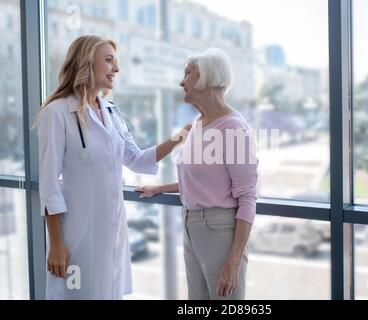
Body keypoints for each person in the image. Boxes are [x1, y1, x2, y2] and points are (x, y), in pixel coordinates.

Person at [38, 35, 190, 300]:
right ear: (86, 63)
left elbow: (137, 159)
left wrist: (179, 137)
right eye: (109, 60)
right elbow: (49, 185)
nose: (116, 69)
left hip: (113, 229)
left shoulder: (112, 111)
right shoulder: (58, 113)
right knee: (78, 295)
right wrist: (57, 245)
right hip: (77, 233)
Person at [136, 48, 258, 300]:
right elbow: (201, 183)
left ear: (207, 77)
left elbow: (247, 197)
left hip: (220, 231)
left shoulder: (234, 128)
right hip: (191, 225)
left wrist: (233, 261)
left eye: (188, 74)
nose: (182, 81)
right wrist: (158, 188)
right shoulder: (197, 126)